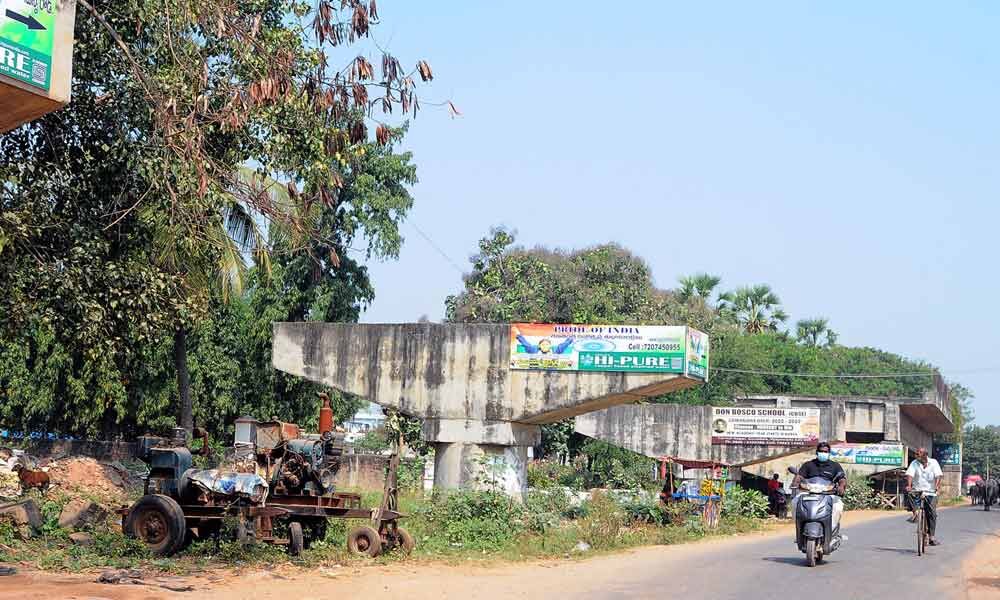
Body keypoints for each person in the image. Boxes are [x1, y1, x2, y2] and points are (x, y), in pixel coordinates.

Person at [792, 442, 847, 540]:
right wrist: (796, 482)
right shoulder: (808, 465)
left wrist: (841, 487)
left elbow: (842, 478)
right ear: (817, 452)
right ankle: (799, 526)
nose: (823, 453)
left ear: (829, 453)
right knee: (795, 502)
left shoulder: (835, 466)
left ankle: (832, 528)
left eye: (825, 452)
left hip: (828, 493)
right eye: (821, 451)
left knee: (838, 506)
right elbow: (800, 475)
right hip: (808, 492)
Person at [905, 447, 943, 546]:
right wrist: (909, 485)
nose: (917, 456)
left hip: (931, 491)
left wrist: (937, 486)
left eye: (919, 455)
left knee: (932, 513)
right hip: (918, 489)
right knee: (909, 494)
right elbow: (910, 474)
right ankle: (915, 513)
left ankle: (931, 537)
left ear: (925, 455)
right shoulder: (914, 463)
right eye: (916, 455)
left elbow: (938, 475)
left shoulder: (934, 463)